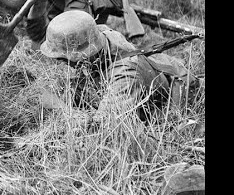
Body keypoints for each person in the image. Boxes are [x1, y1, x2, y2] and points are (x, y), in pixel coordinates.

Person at [29, 9, 192, 124]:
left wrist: (60, 107)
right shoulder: (102, 37)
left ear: (83, 54)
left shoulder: (124, 75)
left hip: (155, 109)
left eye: (64, 58)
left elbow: (103, 126)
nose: (61, 62)